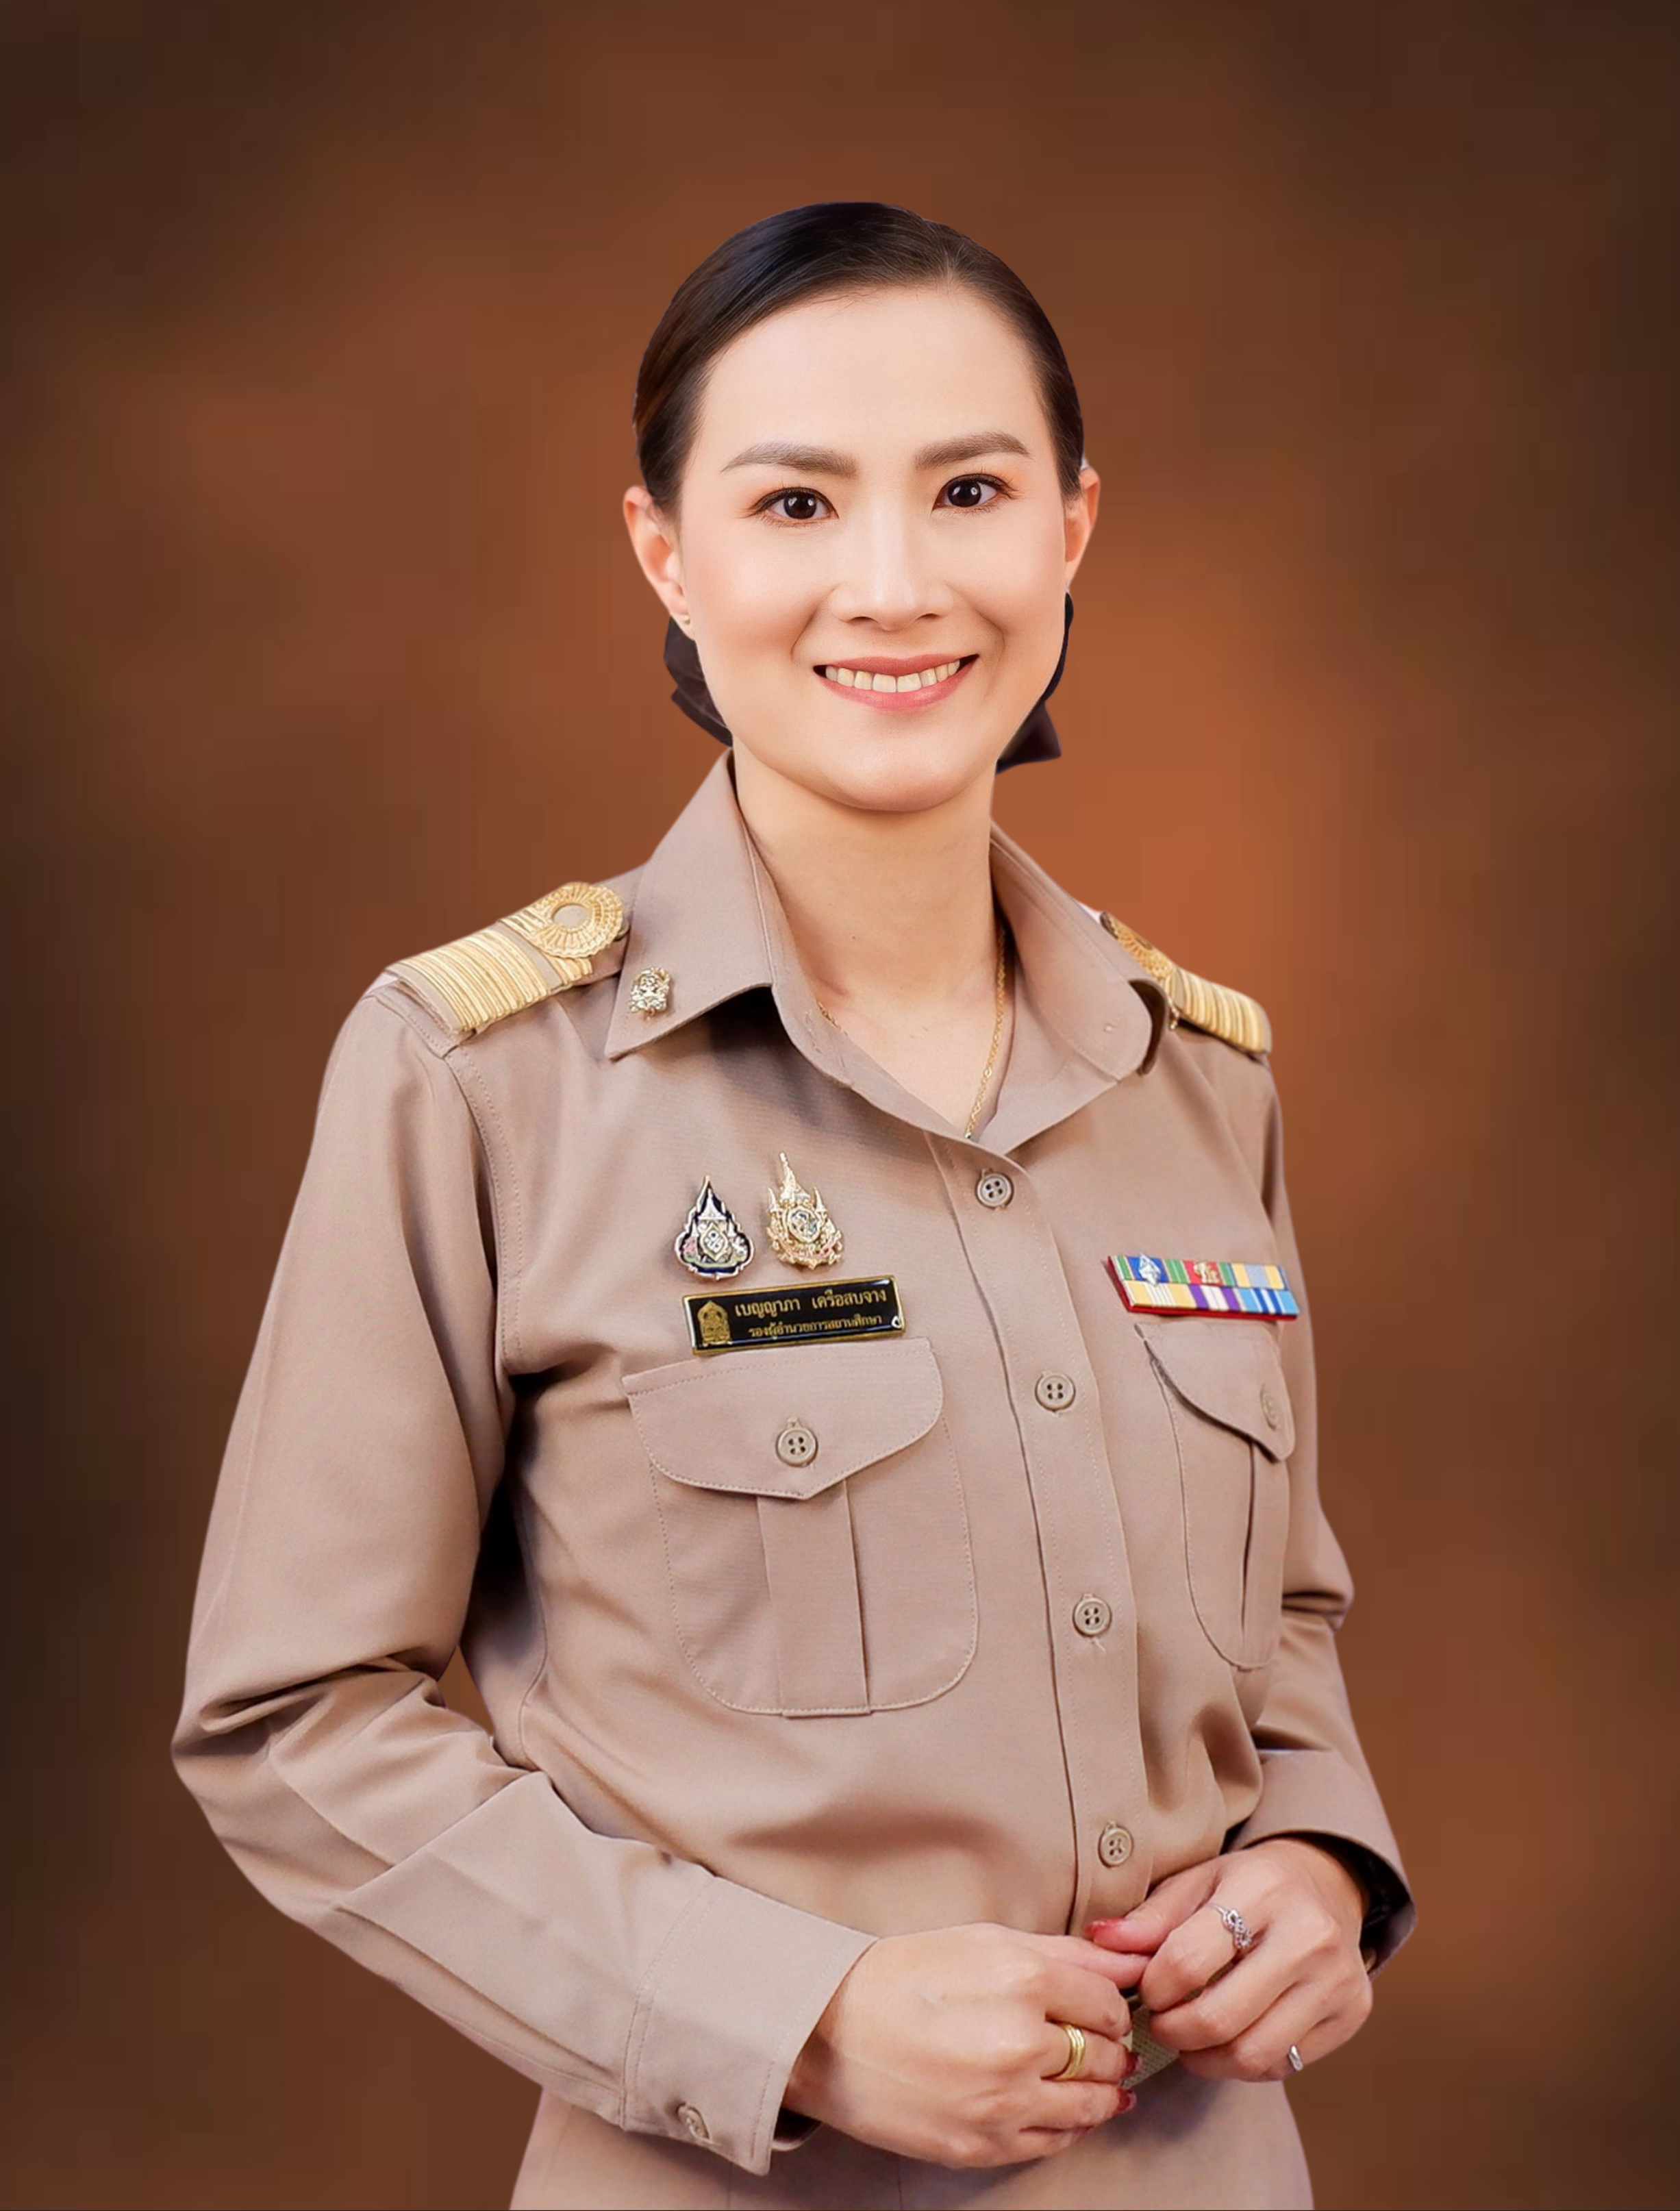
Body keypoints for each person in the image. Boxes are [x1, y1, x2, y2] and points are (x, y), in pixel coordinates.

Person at [173, 201, 1415, 2211]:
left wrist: (1323, 1862)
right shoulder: (481, 1078)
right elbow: (292, 1722)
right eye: (795, 504)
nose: (895, 585)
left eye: (971, 491)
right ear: (668, 553)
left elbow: (1275, 1621)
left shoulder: (1200, 1081)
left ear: (1073, 530)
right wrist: (793, 2017)